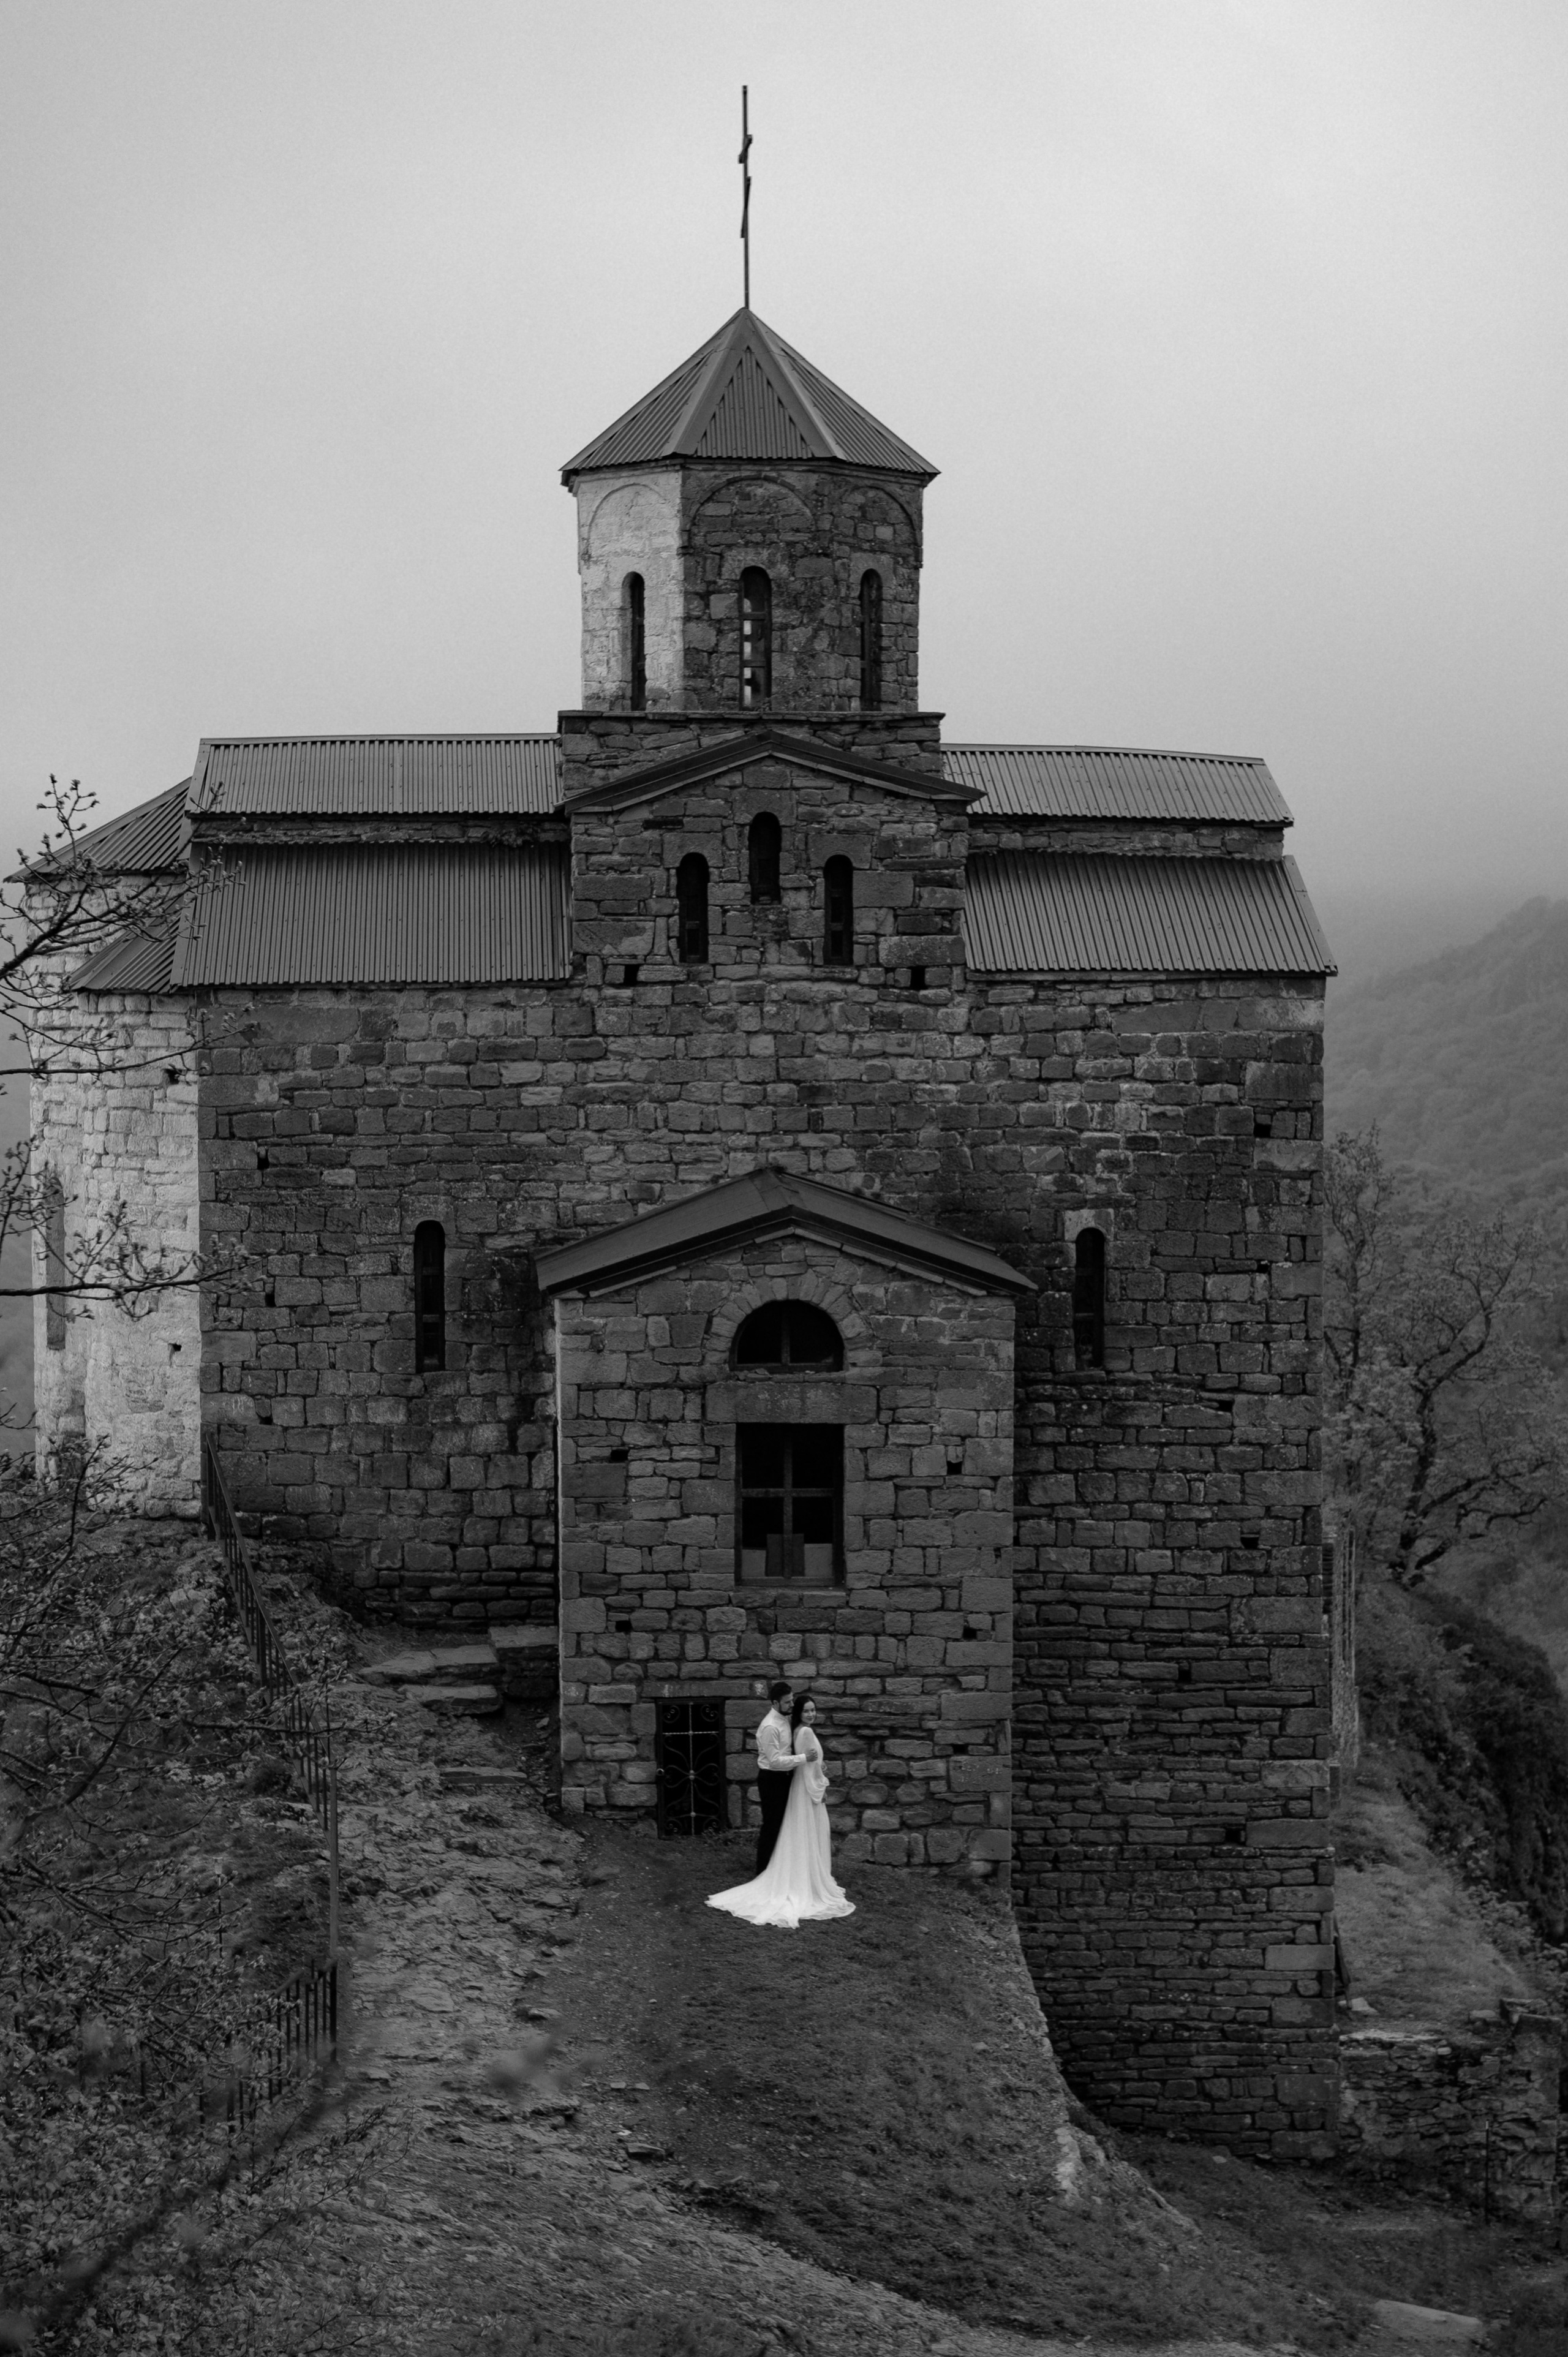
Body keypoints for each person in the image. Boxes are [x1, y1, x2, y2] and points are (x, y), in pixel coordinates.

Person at [707, 1689, 855, 1931]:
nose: (791, 1704)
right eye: (788, 1702)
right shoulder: (770, 1726)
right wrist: (806, 1760)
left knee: (787, 1825)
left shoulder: (788, 1722)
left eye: (793, 1701)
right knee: (773, 1825)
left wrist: (815, 1764)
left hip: (788, 1779)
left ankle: (785, 1869)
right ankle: (764, 1872)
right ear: (775, 1703)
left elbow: (800, 1755)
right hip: (772, 1779)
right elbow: (775, 1761)